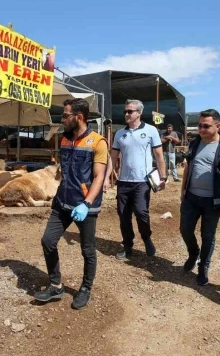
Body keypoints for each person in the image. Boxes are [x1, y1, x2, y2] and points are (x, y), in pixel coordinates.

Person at [34, 98, 111, 310]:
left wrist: (86, 203)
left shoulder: (98, 142)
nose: (63, 119)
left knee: (87, 249)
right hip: (63, 202)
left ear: (79, 117)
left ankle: (85, 288)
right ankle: (56, 284)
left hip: (85, 206)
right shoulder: (65, 140)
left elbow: (98, 176)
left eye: (66, 115)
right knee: (48, 241)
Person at [179, 109, 220, 285]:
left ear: (217, 126)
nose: (201, 129)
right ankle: (193, 253)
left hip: (214, 200)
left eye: (206, 126)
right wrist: (183, 190)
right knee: (185, 229)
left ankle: (204, 266)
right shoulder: (195, 143)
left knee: (208, 235)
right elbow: (188, 167)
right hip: (192, 197)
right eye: (200, 125)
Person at [110, 99, 166, 260]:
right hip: (124, 181)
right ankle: (128, 246)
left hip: (142, 181)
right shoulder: (120, 133)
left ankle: (147, 238)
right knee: (123, 215)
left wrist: (162, 177)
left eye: (130, 111)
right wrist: (107, 178)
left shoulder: (151, 130)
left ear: (139, 113)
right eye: (125, 111)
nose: (126, 114)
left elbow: (159, 156)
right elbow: (113, 158)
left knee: (141, 213)